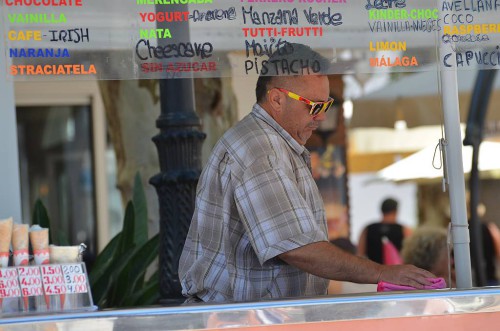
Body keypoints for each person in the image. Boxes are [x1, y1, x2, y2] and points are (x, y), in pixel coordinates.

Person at [178, 42, 435, 303]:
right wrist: (382, 272)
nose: (322, 117)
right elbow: (297, 247)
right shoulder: (260, 149)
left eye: (326, 105)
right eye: (314, 106)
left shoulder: (274, 143)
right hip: (240, 320)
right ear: (277, 99)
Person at [358, 198, 413, 264]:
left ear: (381, 210)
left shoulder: (368, 229)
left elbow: (359, 254)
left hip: (374, 271)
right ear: (396, 211)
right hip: (396, 272)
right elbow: (410, 255)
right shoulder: (404, 230)